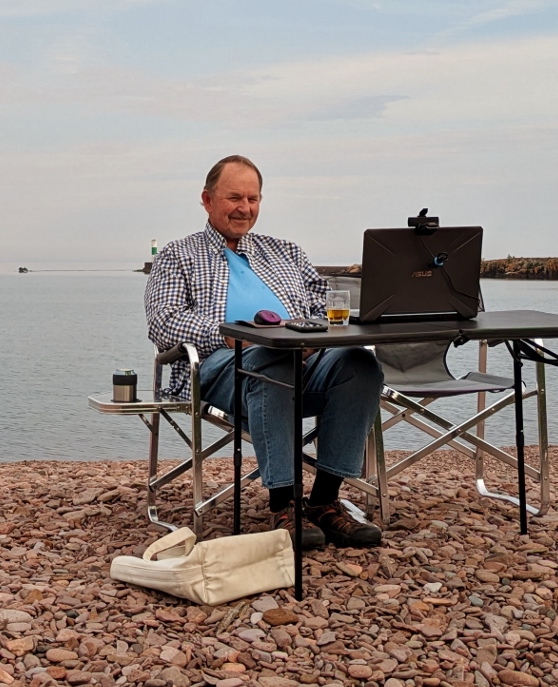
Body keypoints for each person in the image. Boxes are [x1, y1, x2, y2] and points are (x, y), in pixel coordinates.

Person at [143, 155, 384, 548]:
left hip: (303, 359)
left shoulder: (286, 252)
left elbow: (326, 304)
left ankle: (324, 502)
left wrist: (320, 332)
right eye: (234, 197)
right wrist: (232, 336)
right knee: (272, 361)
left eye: (253, 199)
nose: (245, 208)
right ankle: (283, 505)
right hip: (222, 367)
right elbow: (163, 322)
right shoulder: (177, 255)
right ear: (206, 199)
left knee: (360, 363)